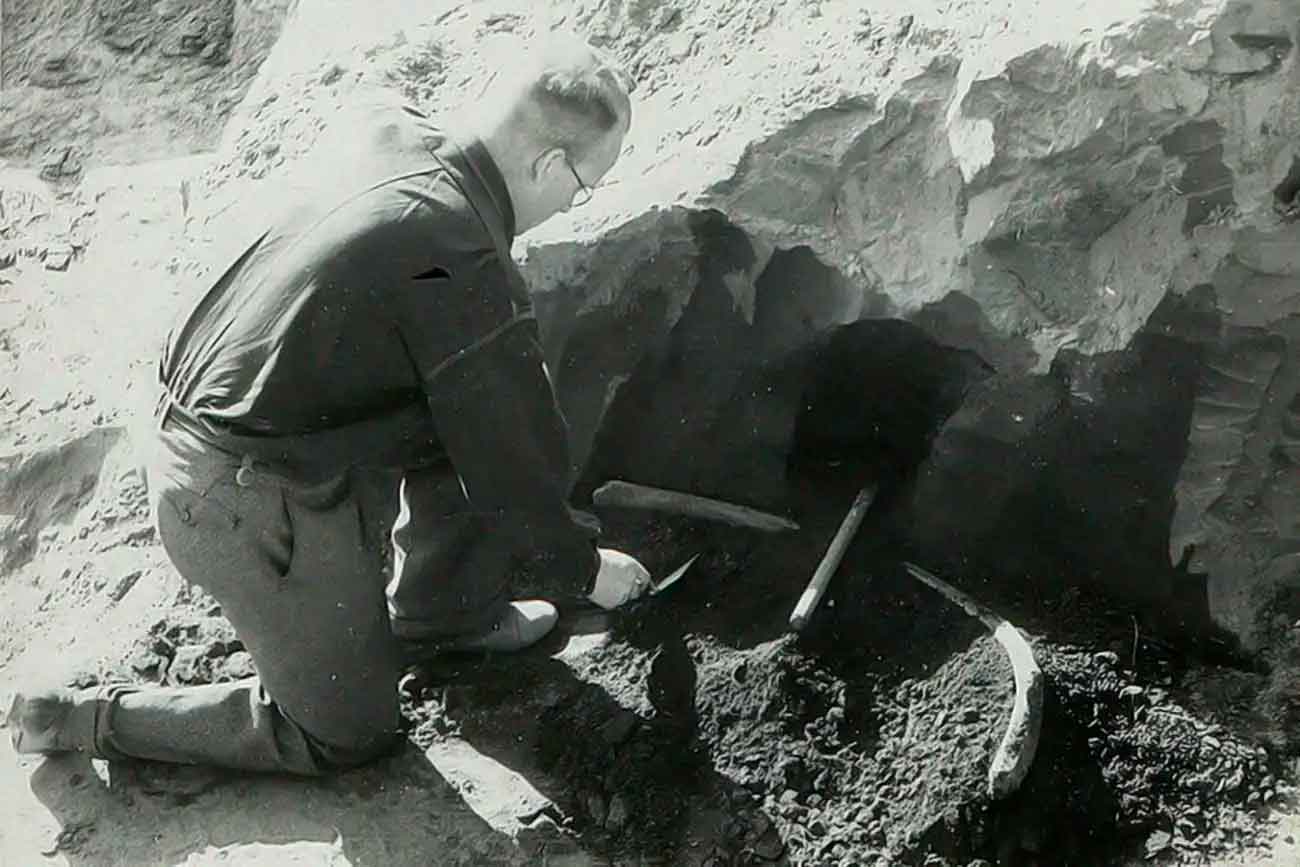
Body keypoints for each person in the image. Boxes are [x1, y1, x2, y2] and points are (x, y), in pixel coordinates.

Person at [6, 32, 653, 776]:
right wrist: (585, 569)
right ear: (547, 164)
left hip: (228, 411)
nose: (575, 206)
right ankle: (84, 718)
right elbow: (518, 478)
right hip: (230, 492)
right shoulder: (465, 262)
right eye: (583, 187)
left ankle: (444, 618)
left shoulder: (391, 127)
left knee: (474, 398)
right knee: (350, 734)